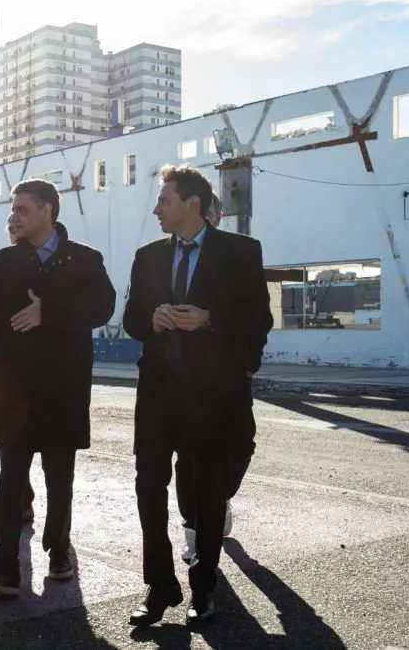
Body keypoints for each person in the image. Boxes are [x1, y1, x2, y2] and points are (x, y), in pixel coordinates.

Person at [123, 164, 272, 626]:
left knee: (208, 491)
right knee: (149, 485)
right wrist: (155, 317)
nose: (156, 209)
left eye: (164, 200)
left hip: (212, 396)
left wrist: (210, 321)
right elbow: (131, 320)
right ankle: (159, 584)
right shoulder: (147, 256)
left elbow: (258, 323)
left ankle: (203, 585)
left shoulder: (241, 252)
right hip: (157, 393)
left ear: (193, 204)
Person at [0, 178, 116, 597]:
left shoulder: (84, 260)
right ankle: (5, 568)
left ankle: (59, 550)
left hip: (62, 388)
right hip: (13, 389)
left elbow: (104, 307)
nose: (14, 215)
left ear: (47, 210)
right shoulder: (5, 259)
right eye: (13, 209)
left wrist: (47, 311)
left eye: (22, 209)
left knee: (58, 476)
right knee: (10, 478)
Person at [175, 190, 237, 564]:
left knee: (240, 446)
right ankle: (195, 527)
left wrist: (211, 319)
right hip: (183, 377)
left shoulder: (235, 254)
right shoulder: (167, 255)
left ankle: (219, 496)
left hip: (229, 376)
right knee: (188, 458)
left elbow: (252, 316)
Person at [0, 216, 35, 523]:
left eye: (17, 224)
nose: (14, 229)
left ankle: (52, 527)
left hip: (32, 369)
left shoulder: (38, 265)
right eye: (10, 226)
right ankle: (22, 499)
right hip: (2, 370)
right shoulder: (1, 264)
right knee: (8, 444)